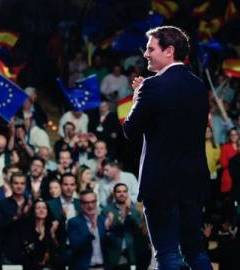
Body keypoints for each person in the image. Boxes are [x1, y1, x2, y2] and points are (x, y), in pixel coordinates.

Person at [122, 26, 212, 269]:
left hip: (161, 184)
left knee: (166, 253)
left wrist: (136, 98)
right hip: (193, 181)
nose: (146, 54)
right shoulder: (198, 86)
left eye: (151, 49)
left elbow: (130, 130)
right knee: (195, 251)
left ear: (169, 51)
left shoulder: (153, 86)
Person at [67, 190, 115, 270]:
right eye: (86, 203)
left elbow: (114, 245)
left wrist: (108, 230)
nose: (90, 206)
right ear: (81, 204)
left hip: (103, 267)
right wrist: (91, 231)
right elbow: (75, 246)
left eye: (93, 202)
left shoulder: (103, 220)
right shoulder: (74, 222)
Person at [22, 199, 60, 270]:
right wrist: (41, 237)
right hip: (32, 266)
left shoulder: (52, 227)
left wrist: (52, 235)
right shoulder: (27, 229)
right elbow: (28, 251)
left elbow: (57, 250)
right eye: (38, 208)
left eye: (44, 208)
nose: (41, 210)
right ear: (34, 211)